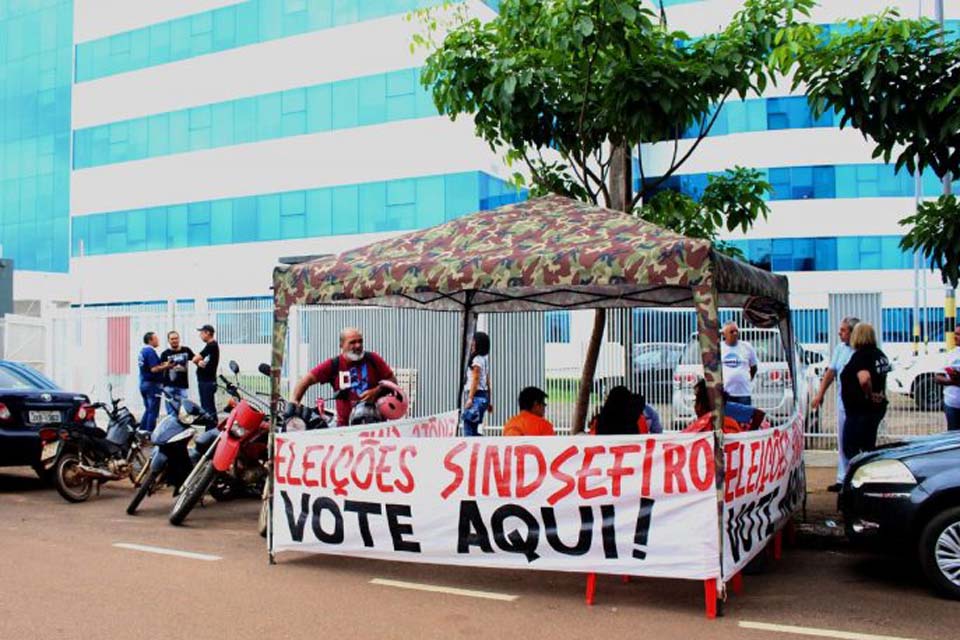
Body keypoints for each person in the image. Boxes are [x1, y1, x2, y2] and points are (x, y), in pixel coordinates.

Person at [290, 327, 396, 426]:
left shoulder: (373, 359)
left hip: (376, 426)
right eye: (352, 342)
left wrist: (376, 391)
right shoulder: (334, 364)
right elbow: (306, 380)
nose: (358, 345)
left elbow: (393, 382)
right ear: (341, 345)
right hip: (345, 429)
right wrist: (294, 403)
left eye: (360, 341)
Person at [810, 316, 859, 491]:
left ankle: (856, 479)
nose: (840, 333)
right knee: (843, 440)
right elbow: (831, 372)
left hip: (859, 405)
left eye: (843, 330)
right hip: (842, 402)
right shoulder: (840, 349)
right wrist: (820, 394)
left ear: (853, 332)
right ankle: (842, 478)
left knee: (856, 442)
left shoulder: (861, 350)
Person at [839, 323, 891, 460]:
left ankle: (858, 478)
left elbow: (864, 378)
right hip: (875, 409)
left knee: (851, 448)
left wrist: (868, 394)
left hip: (860, 410)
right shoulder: (880, 355)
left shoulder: (861, 356)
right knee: (868, 446)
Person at [462, 331, 492, 436]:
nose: (471, 343)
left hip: (476, 396)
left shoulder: (477, 360)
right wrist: (489, 401)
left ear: (478, 343)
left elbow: (476, 379)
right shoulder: (484, 359)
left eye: (473, 341)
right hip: (483, 396)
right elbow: (488, 381)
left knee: (468, 428)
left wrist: (470, 398)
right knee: (473, 429)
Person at [720, 321, 758, 405]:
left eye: (736, 331)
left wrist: (746, 379)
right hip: (726, 393)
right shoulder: (719, 348)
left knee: (743, 417)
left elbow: (754, 367)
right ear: (724, 334)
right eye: (731, 332)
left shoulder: (747, 347)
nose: (735, 333)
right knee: (727, 418)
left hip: (743, 393)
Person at [159, 330, 195, 415]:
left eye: (176, 338)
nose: (174, 340)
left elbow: (195, 358)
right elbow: (160, 369)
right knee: (171, 412)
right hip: (169, 386)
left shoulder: (186, 350)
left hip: (182, 386)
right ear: (168, 340)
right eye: (172, 339)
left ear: (179, 339)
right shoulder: (164, 354)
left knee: (184, 410)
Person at [137, 332, 164, 436]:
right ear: (150, 340)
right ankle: (149, 434)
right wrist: (167, 366)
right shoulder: (150, 351)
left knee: (148, 409)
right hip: (152, 385)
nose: (158, 340)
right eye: (156, 338)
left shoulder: (143, 351)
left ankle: (141, 431)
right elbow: (154, 369)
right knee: (153, 411)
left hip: (143, 383)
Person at [935, 324, 960, 432]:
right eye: (955, 334)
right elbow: (937, 377)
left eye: (959, 335)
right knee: (953, 439)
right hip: (951, 405)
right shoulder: (950, 355)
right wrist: (951, 381)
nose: (955, 337)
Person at [192, 324, 220, 417]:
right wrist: (199, 362)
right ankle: (210, 427)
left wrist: (198, 361)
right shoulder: (210, 346)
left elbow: (195, 359)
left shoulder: (211, 346)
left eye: (201, 333)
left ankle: (211, 428)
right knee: (207, 406)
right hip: (206, 381)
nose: (200, 335)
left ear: (207, 333)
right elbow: (199, 360)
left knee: (208, 407)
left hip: (207, 381)